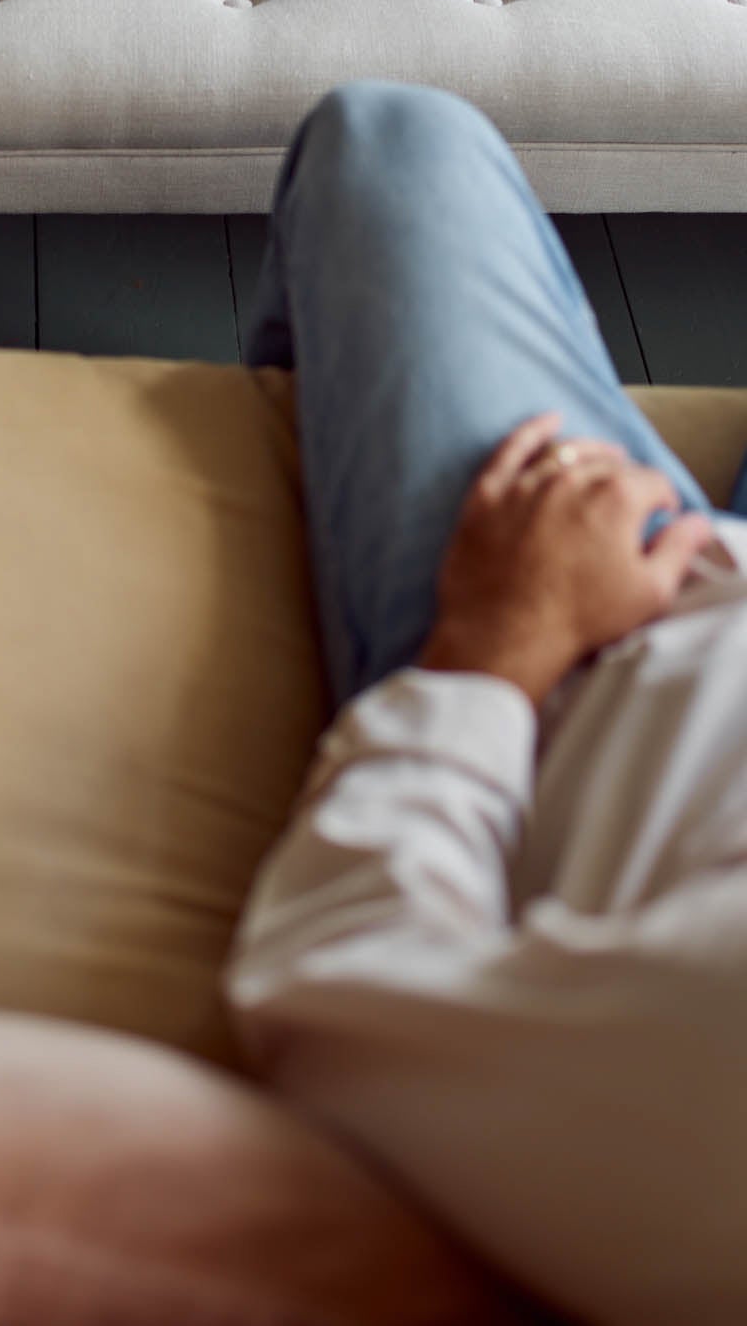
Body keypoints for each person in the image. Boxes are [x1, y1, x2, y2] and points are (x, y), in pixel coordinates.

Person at [222, 81, 747, 1326]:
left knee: (396, 144)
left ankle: (298, 473)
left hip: (586, 638)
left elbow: (339, 981)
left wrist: (493, 647)